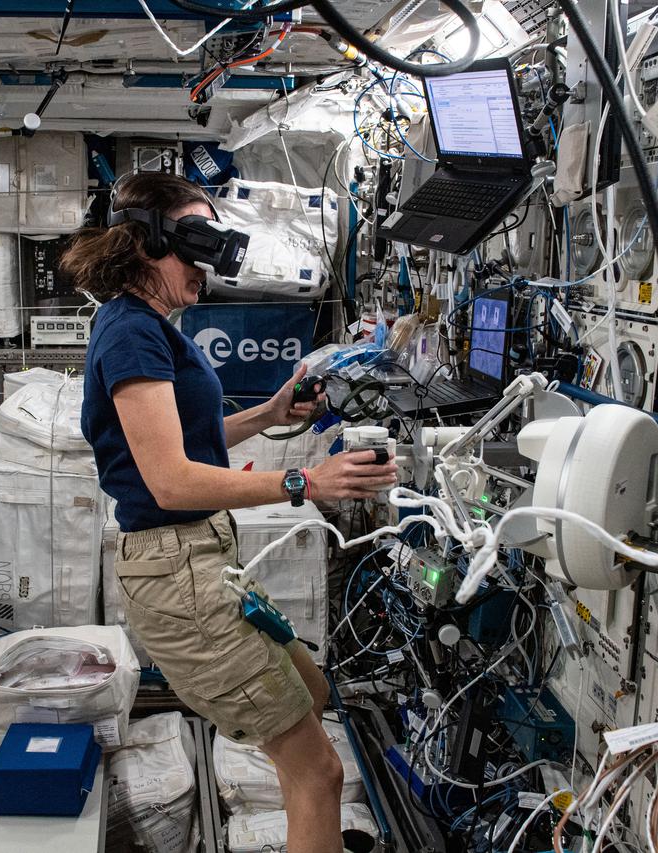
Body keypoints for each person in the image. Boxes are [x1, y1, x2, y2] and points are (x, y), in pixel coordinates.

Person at [62, 172, 396, 853]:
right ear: (148, 241)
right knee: (319, 771)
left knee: (315, 691)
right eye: (194, 245)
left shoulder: (148, 325)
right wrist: (306, 480)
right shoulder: (131, 332)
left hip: (205, 563)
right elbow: (173, 480)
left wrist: (271, 415)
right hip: (180, 575)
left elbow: (188, 438)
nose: (205, 268)